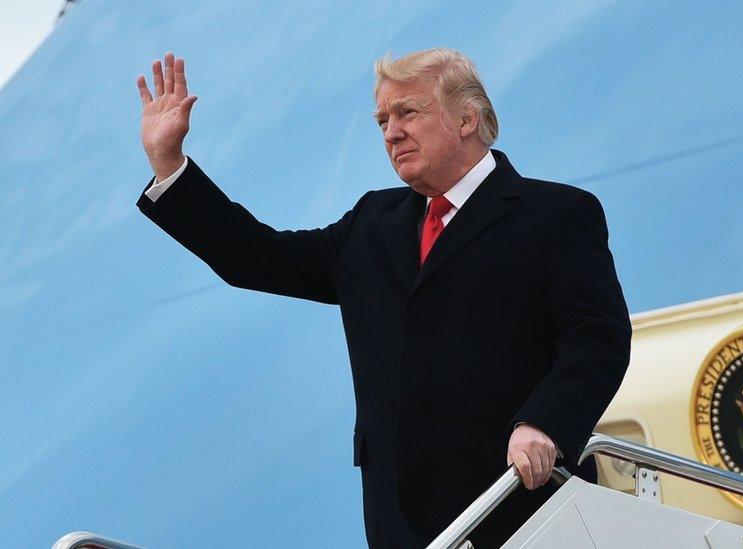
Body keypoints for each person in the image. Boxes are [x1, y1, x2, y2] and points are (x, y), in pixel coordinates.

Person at [135, 48, 631, 547]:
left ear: (466, 118)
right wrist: (170, 164)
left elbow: (597, 338)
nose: (391, 132)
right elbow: (255, 257)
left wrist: (544, 424)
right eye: (381, 120)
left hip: (522, 507)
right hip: (400, 526)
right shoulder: (372, 223)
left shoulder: (555, 214)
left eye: (407, 112)